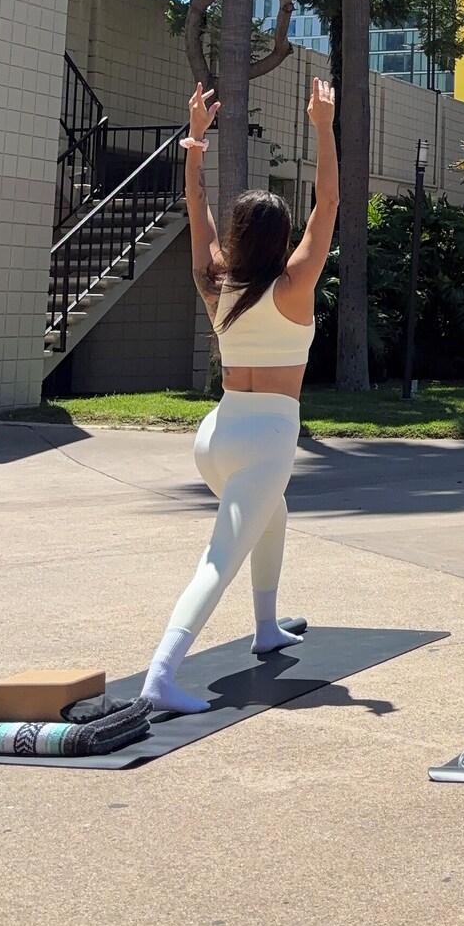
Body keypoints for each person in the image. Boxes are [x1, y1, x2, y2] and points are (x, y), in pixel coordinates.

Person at [140, 77, 338, 715]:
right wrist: (322, 125)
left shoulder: (215, 281)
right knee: (219, 559)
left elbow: (196, 212)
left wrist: (196, 141)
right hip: (265, 439)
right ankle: (161, 676)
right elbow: (328, 201)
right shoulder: (295, 284)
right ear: (280, 242)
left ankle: (265, 627)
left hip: (217, 435)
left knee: (271, 514)